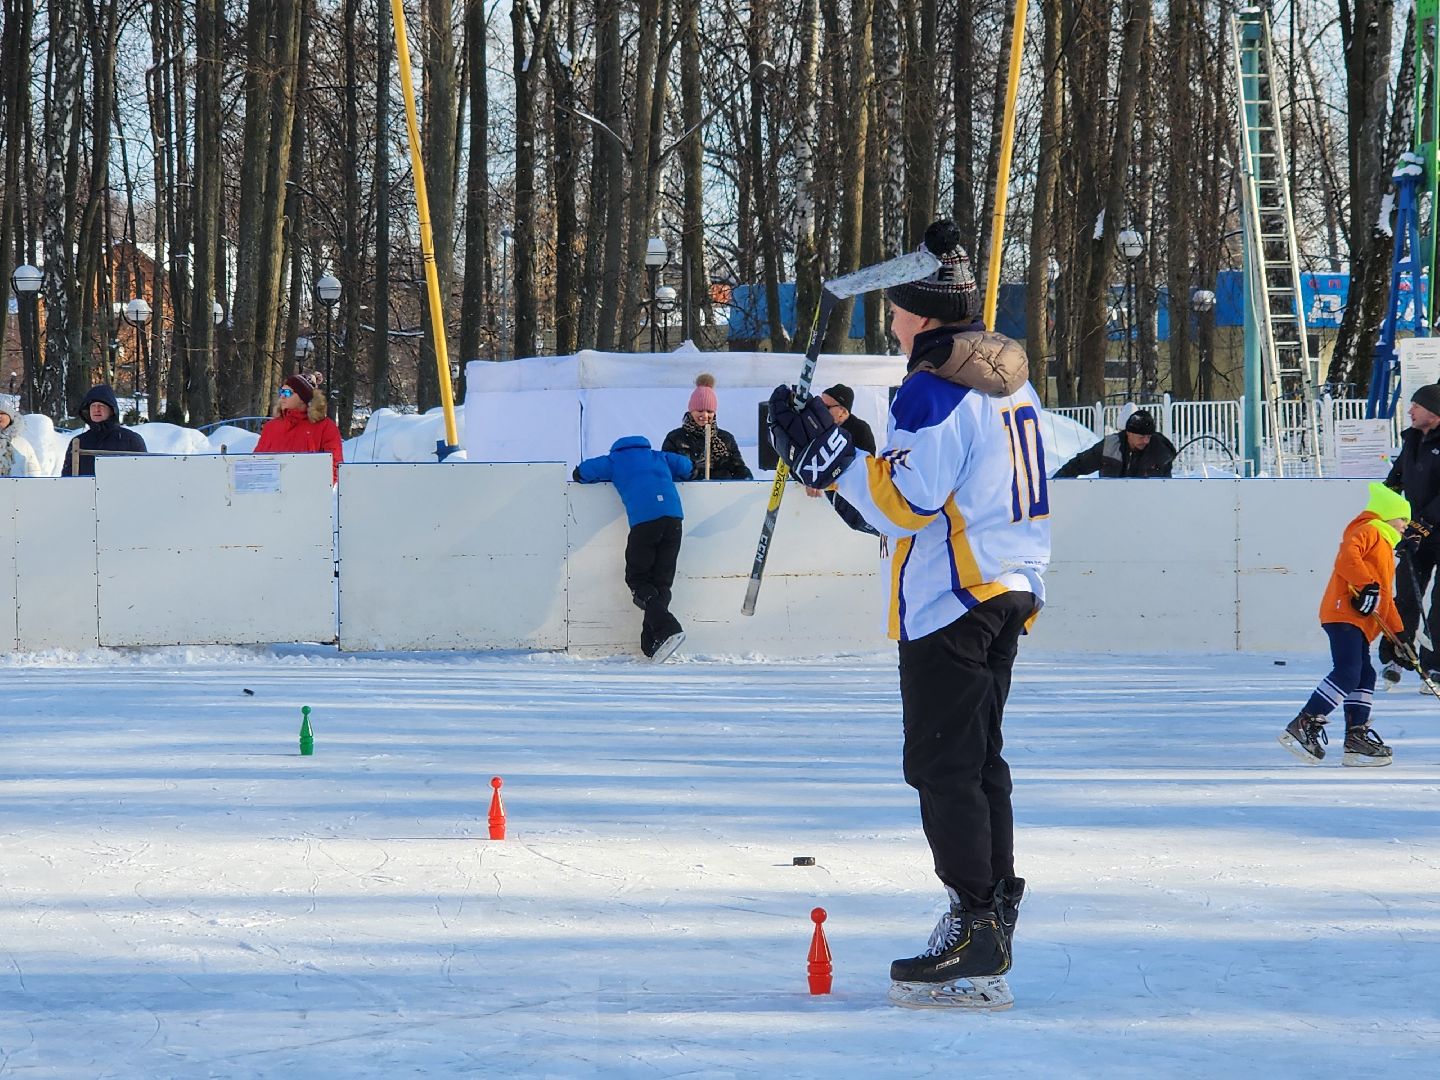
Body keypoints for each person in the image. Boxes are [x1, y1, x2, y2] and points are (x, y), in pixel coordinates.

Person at [767, 219, 1050, 1010]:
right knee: (978, 760)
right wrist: (845, 467)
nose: (890, 321)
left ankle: (975, 922)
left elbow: (908, 503)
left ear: (921, 314)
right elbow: (934, 494)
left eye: (895, 309)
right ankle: (991, 912)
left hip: (953, 600)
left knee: (941, 766)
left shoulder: (933, 385)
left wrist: (833, 459)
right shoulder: (1004, 374)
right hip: (1007, 585)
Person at [1279, 482, 1410, 768]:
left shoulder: (1386, 548)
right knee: (1349, 672)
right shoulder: (1368, 529)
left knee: (1365, 674)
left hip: (1359, 621)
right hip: (1343, 613)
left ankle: (1355, 738)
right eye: (1404, 519)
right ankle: (1305, 722)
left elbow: (1384, 598)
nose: (1405, 526)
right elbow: (1347, 557)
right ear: (1388, 514)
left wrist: (1399, 637)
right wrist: (1366, 584)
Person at [573, 435, 693, 662]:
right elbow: (687, 467)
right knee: (661, 582)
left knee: (637, 580)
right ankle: (652, 644)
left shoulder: (615, 460)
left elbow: (582, 473)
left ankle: (668, 629)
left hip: (645, 523)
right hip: (674, 520)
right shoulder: (659, 456)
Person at [1380, 383, 1440, 685]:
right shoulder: (1412, 440)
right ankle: (1399, 655)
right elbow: (1395, 481)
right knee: (1404, 596)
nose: (1410, 411)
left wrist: (1422, 525)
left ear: (1434, 411)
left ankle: (1434, 664)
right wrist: (1385, 513)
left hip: (1431, 529)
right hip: (1416, 535)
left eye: (1416, 406)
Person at [254, 374, 344, 485]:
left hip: (309, 492)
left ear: (303, 398)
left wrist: (317, 489)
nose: (282, 396)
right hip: (273, 492)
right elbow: (256, 464)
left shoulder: (325, 427)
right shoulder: (271, 427)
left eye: (288, 393)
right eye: (281, 392)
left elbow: (334, 466)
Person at [662, 373, 753, 480]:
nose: (705, 415)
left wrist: (747, 479)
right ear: (691, 411)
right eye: (700, 410)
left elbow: (739, 468)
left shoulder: (726, 439)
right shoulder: (675, 438)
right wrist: (693, 471)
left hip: (722, 489)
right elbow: (666, 470)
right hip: (686, 489)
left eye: (709, 411)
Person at [1053, 409, 1176, 478]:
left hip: (1148, 505)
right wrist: (1056, 484)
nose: (1146, 441)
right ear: (1129, 433)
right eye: (1141, 437)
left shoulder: (1160, 452)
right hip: (1110, 503)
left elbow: (1165, 488)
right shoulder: (1110, 446)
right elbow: (1079, 464)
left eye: (1149, 436)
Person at [803, 384, 876, 499]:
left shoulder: (860, 430)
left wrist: (822, 481)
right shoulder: (816, 425)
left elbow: (864, 471)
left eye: (826, 407)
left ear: (843, 412)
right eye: (819, 405)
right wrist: (808, 480)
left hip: (849, 496)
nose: (820, 410)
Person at [61, 384, 148, 477]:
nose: (96, 409)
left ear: (112, 410)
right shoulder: (79, 442)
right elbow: (66, 480)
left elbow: (145, 475)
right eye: (93, 406)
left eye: (101, 406)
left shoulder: (131, 440)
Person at [0, 406, 41, 477]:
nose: (0, 416)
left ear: (10, 417)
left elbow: (34, 472)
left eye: (2, 413)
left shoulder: (22, 444)